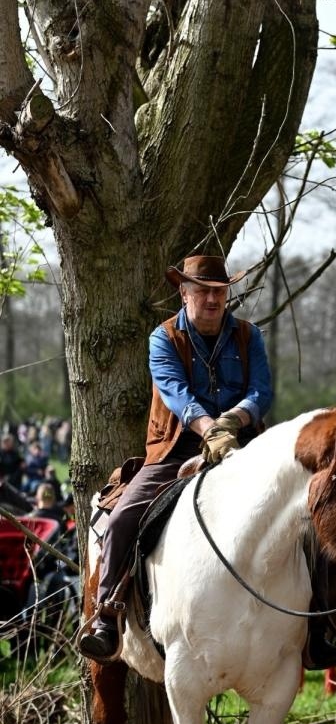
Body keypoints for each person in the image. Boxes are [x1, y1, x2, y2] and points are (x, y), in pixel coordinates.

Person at [79, 255, 273, 662]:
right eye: (202, 290)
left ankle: (315, 625)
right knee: (120, 520)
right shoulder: (163, 338)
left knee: (301, 505)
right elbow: (176, 394)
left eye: (219, 291)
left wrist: (231, 423)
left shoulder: (248, 336)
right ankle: (106, 613)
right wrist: (209, 430)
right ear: (184, 293)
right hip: (175, 449)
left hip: (239, 444)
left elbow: (261, 392)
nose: (212, 298)